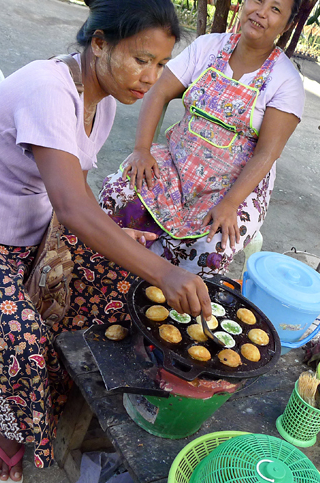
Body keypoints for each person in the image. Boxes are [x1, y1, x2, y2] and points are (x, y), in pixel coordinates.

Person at [0, 0, 211, 483]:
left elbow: (74, 188)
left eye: (160, 64)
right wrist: (163, 271)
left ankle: (57, 390)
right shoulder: (46, 90)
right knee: (20, 331)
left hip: (29, 235)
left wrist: (118, 237)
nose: (150, 76)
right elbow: (74, 211)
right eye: (141, 59)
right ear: (99, 43)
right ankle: (7, 420)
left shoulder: (107, 99)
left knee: (120, 283)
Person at [98, 0, 305, 276]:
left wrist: (230, 204)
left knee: (213, 246)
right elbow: (159, 92)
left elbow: (267, 153)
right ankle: (107, 281)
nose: (262, 12)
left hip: (233, 186)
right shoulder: (209, 47)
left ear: (288, 25)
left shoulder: (285, 80)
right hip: (176, 163)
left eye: (276, 9)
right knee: (119, 193)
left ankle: (170, 305)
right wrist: (141, 149)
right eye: (257, 0)